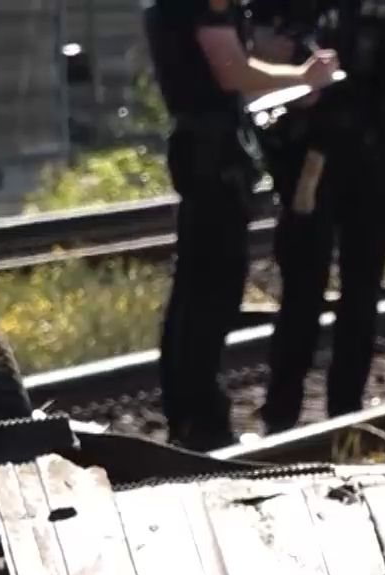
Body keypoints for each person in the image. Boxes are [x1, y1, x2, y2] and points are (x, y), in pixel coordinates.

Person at [251, 0, 385, 434]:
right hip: (309, 155)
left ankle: (346, 415)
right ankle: (282, 416)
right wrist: (291, 65)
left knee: (363, 288)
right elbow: (255, 47)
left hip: (371, 151)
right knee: (303, 287)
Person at [143, 0, 340, 450]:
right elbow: (230, 70)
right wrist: (303, 76)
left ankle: (188, 416)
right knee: (213, 289)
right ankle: (203, 421)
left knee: (194, 288)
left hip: (199, 148)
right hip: (214, 155)